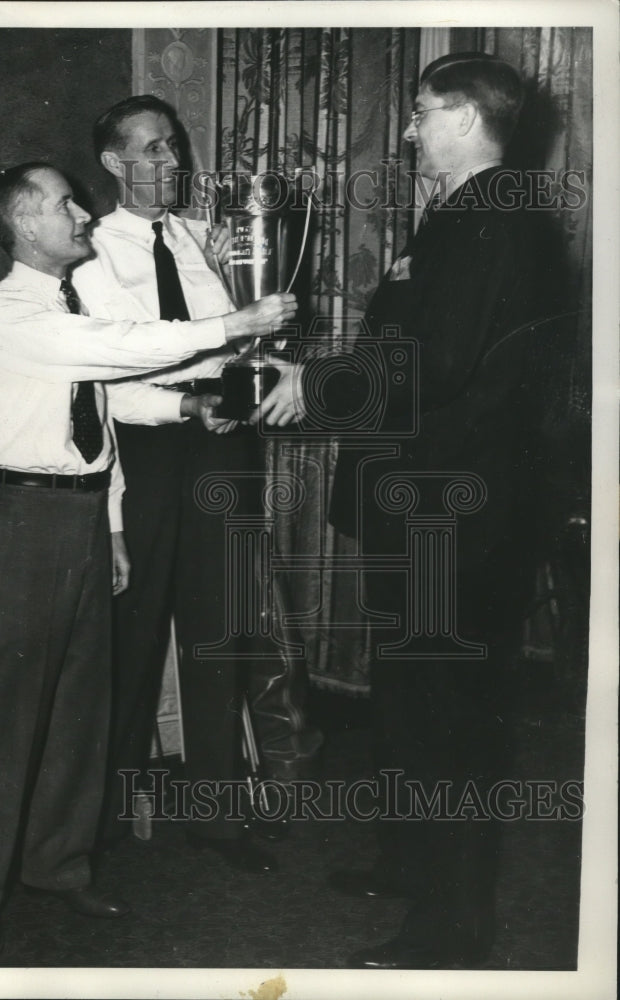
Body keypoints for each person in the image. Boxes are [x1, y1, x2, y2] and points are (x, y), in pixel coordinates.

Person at [254, 53, 556, 968]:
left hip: (447, 516)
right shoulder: (478, 216)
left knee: (444, 721)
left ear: (467, 118)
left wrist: (318, 385)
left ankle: (450, 930)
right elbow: (419, 333)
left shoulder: (487, 222)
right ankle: (406, 866)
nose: (412, 128)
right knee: (413, 700)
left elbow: (437, 365)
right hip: (437, 505)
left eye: (424, 112)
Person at [0, 160, 295, 956]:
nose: (80, 213)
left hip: (79, 517)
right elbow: (111, 351)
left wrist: (187, 406)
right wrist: (231, 328)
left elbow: (103, 406)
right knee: (9, 717)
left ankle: (58, 871)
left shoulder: (64, 309)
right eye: (64, 204)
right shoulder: (6, 310)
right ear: (25, 224)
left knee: (80, 709)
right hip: (24, 520)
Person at [72, 95, 322, 875]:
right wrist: (191, 398)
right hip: (144, 457)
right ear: (114, 163)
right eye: (151, 150)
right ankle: (101, 822)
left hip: (222, 452)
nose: (171, 162)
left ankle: (215, 815)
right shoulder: (92, 255)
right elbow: (109, 373)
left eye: (174, 147)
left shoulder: (198, 242)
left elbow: (232, 345)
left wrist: (266, 364)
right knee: (134, 637)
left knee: (221, 633)